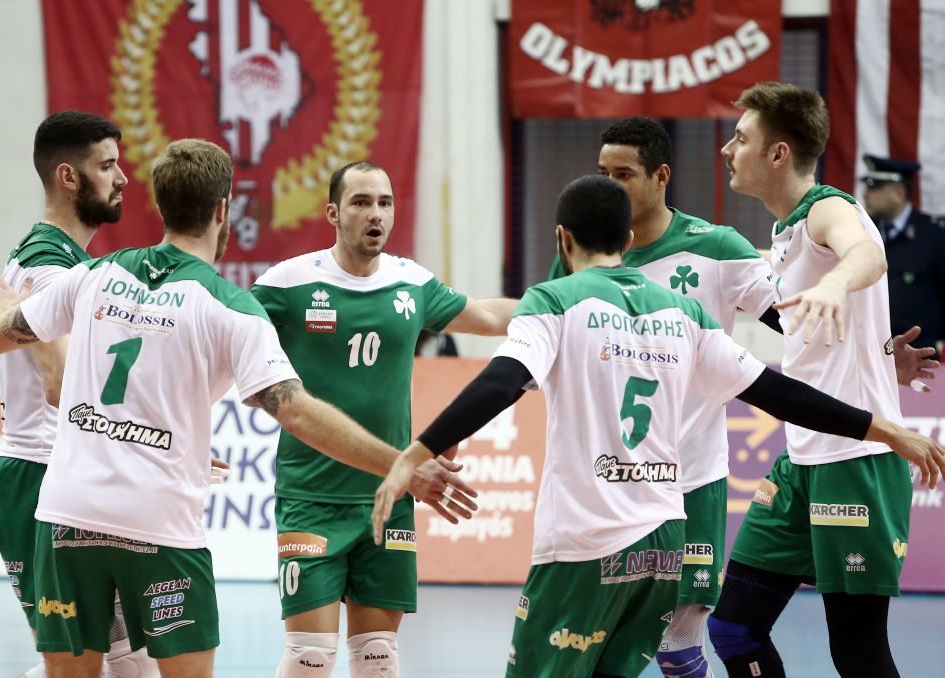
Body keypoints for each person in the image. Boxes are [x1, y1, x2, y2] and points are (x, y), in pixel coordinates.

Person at [371, 174, 945, 678]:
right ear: (627, 241)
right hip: (663, 546)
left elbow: (500, 382)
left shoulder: (554, 300)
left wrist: (414, 454)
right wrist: (884, 429)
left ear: (562, 240)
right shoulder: (683, 312)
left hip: (585, 542)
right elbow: (778, 393)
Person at [0, 140, 476, 678]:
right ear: (223, 209)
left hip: (68, 516)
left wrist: (8, 306)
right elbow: (297, 412)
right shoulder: (232, 308)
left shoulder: (96, 274)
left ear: (160, 206)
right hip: (156, 523)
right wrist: (401, 464)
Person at [544, 117, 937, 678]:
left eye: (623, 174)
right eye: (602, 172)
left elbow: (794, 319)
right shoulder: (579, 257)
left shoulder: (721, 245)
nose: (609, 185)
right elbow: (543, 347)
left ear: (660, 176)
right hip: (606, 481)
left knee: (686, 646)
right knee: (618, 643)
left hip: (694, 476)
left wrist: (874, 355)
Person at [250, 160, 516, 678]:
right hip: (311, 501)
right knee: (309, 659)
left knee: (378, 660)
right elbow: (223, 339)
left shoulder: (410, 281)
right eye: (361, 202)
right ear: (333, 213)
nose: (376, 214)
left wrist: (559, 304)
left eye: (385, 203)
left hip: (389, 499)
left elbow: (486, 316)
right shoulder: (288, 282)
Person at [709, 81, 921, 678]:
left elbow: (866, 255)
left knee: (857, 652)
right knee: (733, 629)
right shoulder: (785, 234)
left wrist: (834, 283)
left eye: (741, 138)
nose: (727, 149)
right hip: (801, 459)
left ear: (778, 153)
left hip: (856, 459)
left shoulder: (828, 209)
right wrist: (880, 357)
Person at [0, 110, 158, 678]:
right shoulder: (48, 265)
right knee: (94, 665)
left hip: (63, 476)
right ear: (67, 176)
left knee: (123, 664)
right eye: (107, 166)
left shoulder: (65, 260)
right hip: (46, 480)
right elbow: (62, 385)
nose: (123, 178)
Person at [861, 154, 945, 355]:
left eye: (875, 187)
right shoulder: (863, 233)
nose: (866, 194)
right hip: (871, 352)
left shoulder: (933, 237)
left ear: (899, 192)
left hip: (919, 354)